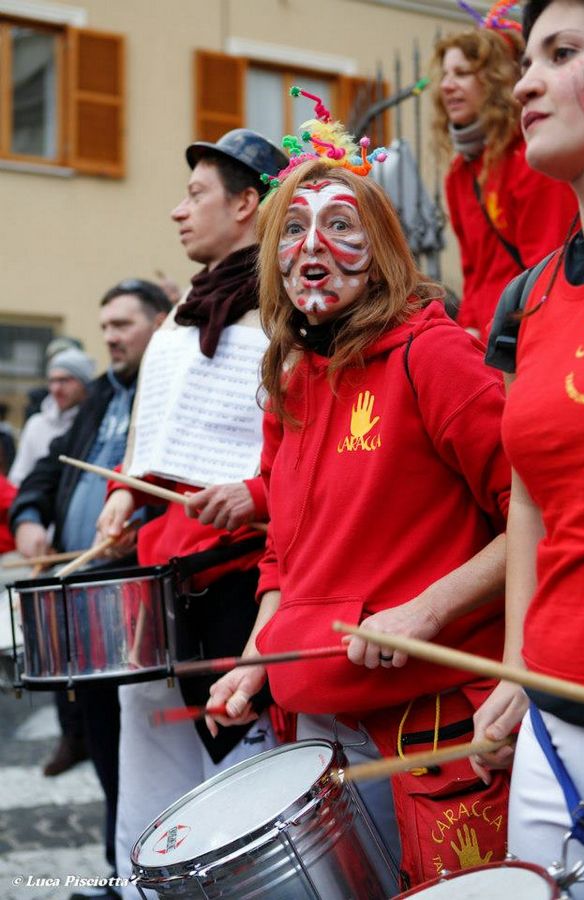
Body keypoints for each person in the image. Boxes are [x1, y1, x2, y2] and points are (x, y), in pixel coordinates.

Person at [202, 96, 513, 891]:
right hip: (311, 725)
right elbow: (286, 557)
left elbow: (545, 515)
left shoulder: (433, 356)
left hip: (424, 729)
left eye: (341, 225)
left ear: (380, 251)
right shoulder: (292, 377)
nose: (314, 248)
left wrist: (427, 611)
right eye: (294, 230)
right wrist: (255, 659)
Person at [95, 129, 292, 899]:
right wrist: (124, 491)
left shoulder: (285, 309)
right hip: (159, 577)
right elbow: (156, 435)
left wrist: (257, 495)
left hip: (243, 583)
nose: (178, 213)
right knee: (149, 796)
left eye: (197, 196)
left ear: (247, 203)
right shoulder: (182, 312)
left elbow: (302, 457)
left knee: (243, 793)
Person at [469, 2, 584, 895]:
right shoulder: (533, 296)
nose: (523, 83)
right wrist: (516, 665)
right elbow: (529, 496)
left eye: (562, 54)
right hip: (557, 731)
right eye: (528, 59)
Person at [9, 278, 171, 900]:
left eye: (122, 325)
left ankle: (157, 873)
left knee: (149, 747)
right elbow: (52, 467)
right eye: (104, 327)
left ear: (160, 324)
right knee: (104, 740)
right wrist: (28, 517)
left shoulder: (172, 386)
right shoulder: (102, 393)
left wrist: (150, 530)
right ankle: (119, 871)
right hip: (83, 597)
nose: (110, 338)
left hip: (143, 597)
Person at [430, 0, 578, 341]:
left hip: (526, 336)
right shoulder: (459, 173)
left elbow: (548, 271)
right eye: (446, 74)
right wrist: (465, 333)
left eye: (463, 73)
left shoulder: (530, 157)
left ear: (497, 79)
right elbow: (473, 273)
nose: (447, 85)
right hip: (487, 339)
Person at [9, 347, 96, 487]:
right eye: (52, 381)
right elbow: (18, 478)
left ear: (84, 383)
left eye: (64, 380)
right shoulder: (36, 425)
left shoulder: (97, 426)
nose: (56, 389)